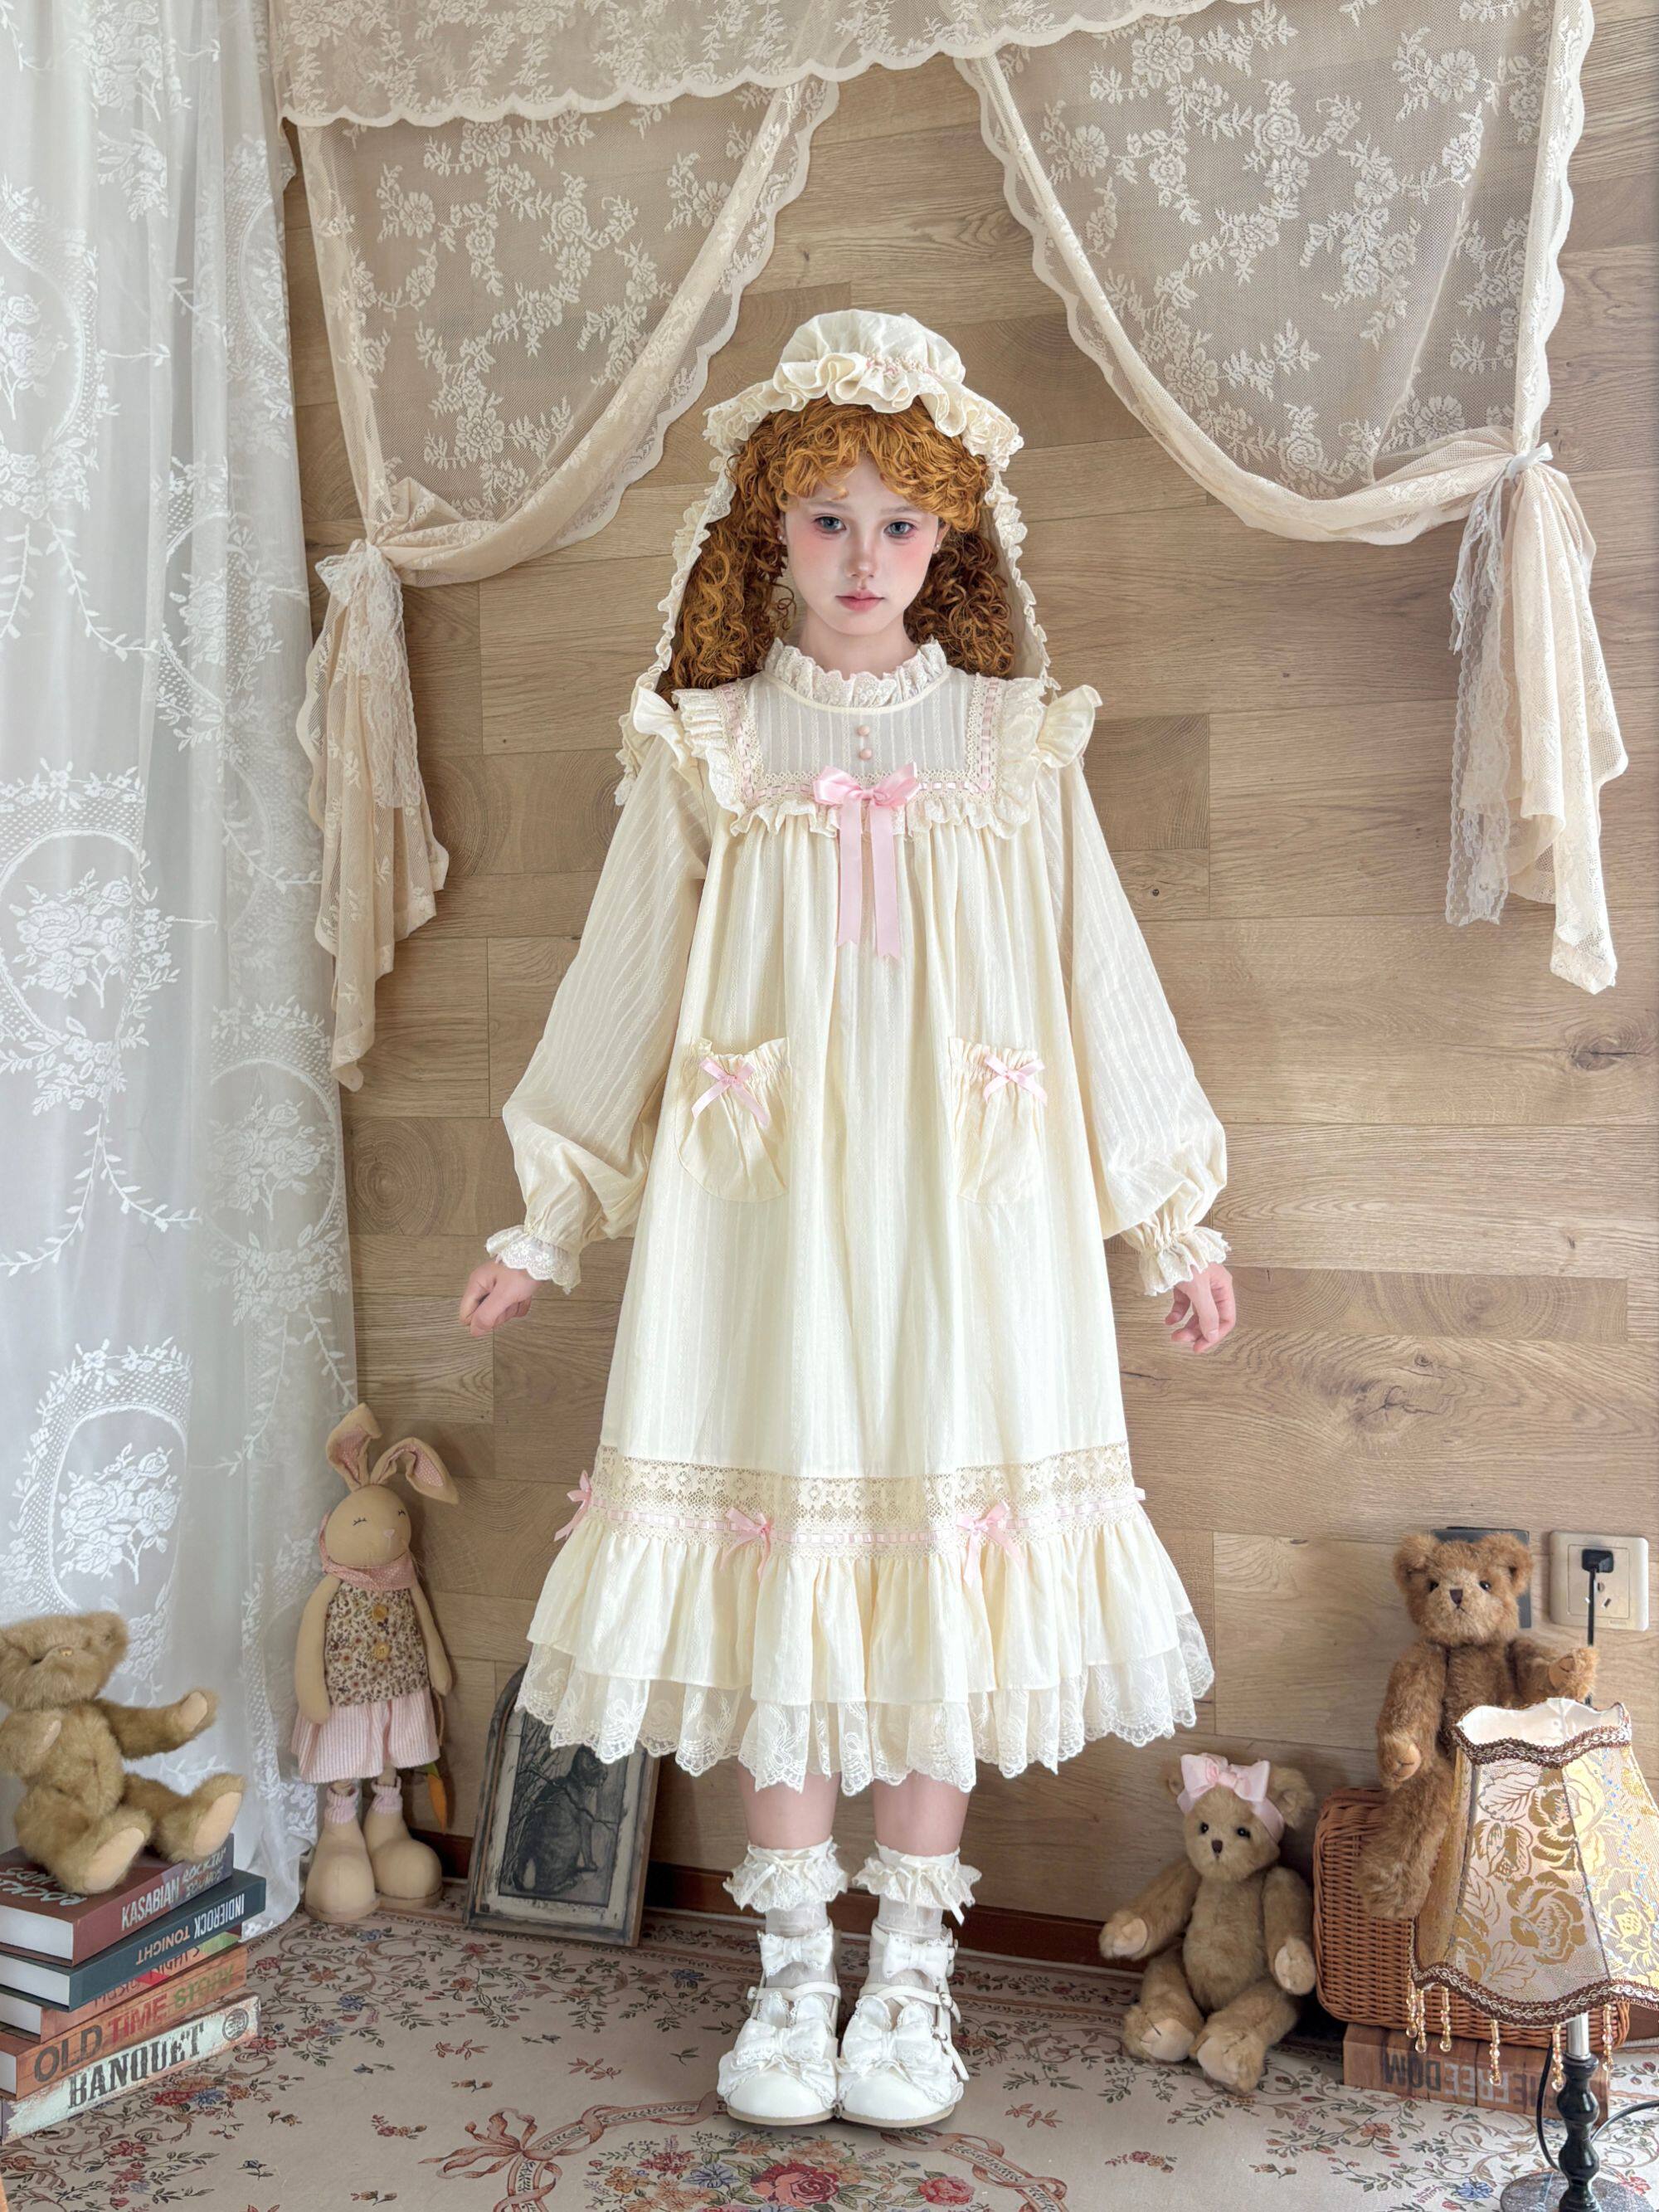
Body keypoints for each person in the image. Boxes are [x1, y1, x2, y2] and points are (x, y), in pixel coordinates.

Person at [458, 310, 1236, 2132]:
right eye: (827, 521)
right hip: (764, 1223)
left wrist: (1170, 1221)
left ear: (950, 534)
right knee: (786, 1577)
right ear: (770, 534)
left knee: (937, 1580)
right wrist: (548, 1213)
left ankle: (911, 1975)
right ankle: (794, 1969)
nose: (864, 557)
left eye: (898, 522)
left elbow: (1101, 973)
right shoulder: (713, 746)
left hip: (975, 1224)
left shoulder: (1015, 741)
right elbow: (623, 977)